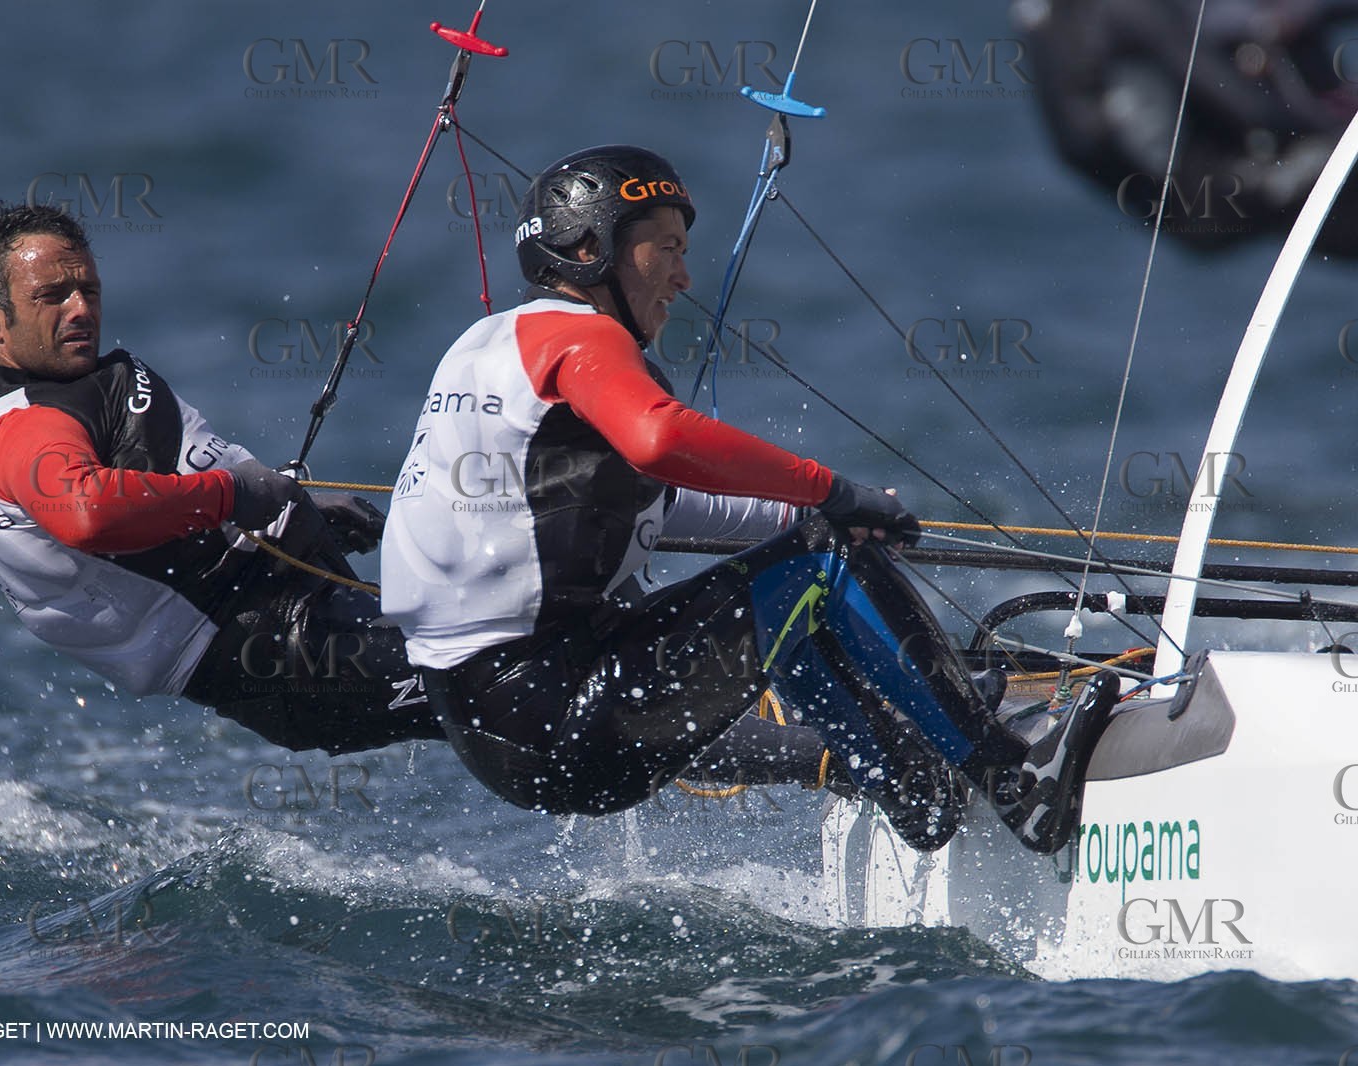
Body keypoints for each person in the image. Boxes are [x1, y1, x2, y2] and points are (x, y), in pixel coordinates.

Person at [380, 145, 1119, 853]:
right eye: (664, 248)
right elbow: (658, 441)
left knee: (795, 563)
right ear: (586, 252)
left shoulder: (485, 348)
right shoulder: (580, 336)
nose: (682, 277)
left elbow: (642, 501)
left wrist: (808, 515)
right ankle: (1016, 778)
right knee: (821, 566)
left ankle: (910, 781)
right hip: (562, 707)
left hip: (498, 727)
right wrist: (831, 493)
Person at [0, 202, 443, 755]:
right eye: (52, 296)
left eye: (88, 291)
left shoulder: (80, 392)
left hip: (290, 621)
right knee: (498, 672)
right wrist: (238, 495)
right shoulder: (18, 427)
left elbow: (166, 492)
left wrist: (284, 503)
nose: (80, 310)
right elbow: (87, 513)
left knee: (519, 658)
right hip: (275, 651)